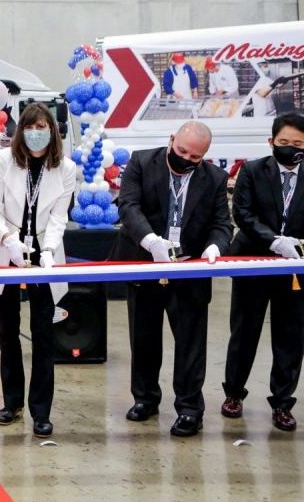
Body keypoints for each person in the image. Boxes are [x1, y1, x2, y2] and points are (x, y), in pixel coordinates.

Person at [114, 121, 232, 437]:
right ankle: (145, 398)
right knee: (144, 338)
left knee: (191, 344)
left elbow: (223, 224)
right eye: (181, 151)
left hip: (189, 272)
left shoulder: (216, 179)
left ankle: (191, 409)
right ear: (171, 140)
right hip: (145, 265)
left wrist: (214, 247)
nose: (186, 159)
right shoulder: (140, 162)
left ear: (204, 156)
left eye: (195, 157)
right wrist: (151, 240)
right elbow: (128, 206)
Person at [0, 103, 75, 438]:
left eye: (43, 126)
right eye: (31, 126)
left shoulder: (66, 168)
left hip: (45, 252)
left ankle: (41, 410)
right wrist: (8, 240)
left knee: (44, 335)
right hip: (7, 251)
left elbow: (61, 215)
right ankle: (12, 402)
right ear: (21, 130)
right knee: (8, 331)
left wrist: (47, 250)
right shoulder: (3, 160)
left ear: (52, 131)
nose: (37, 132)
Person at [222, 113, 304, 432]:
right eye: (283, 143)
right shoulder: (253, 170)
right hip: (252, 261)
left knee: (290, 336)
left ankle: (283, 403)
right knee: (244, 331)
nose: (290, 149)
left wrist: (295, 245)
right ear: (272, 142)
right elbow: (242, 213)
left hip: (294, 268)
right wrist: (274, 240)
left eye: (297, 144)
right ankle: (233, 395)